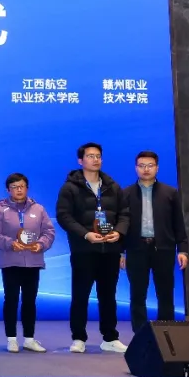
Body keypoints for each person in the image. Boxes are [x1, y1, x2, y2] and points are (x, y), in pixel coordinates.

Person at [56, 142, 130, 353]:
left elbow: (124, 214)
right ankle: (79, 338)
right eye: (90, 156)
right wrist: (86, 234)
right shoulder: (70, 187)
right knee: (80, 295)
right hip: (84, 250)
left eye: (98, 156)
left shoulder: (113, 186)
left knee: (109, 296)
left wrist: (119, 232)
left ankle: (110, 338)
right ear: (80, 161)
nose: (95, 159)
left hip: (110, 250)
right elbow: (64, 216)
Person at [0, 173, 56, 353]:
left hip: (33, 261)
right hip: (10, 261)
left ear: (27, 188)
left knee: (30, 301)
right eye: (14, 187)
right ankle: (11, 339)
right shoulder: (0, 210)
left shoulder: (38, 209)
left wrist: (41, 244)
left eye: (22, 186)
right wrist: (10, 243)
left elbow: (49, 232)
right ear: (8, 190)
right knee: (11, 300)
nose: (19, 190)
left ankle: (29, 339)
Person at [121, 150, 189, 333]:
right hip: (136, 249)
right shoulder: (125, 194)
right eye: (142, 166)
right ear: (136, 168)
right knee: (137, 294)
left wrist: (182, 249)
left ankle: (167, 331)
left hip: (164, 249)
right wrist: (120, 251)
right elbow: (121, 225)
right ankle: (140, 333)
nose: (146, 169)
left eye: (150, 165)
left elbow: (178, 223)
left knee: (165, 293)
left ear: (157, 168)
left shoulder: (170, 193)